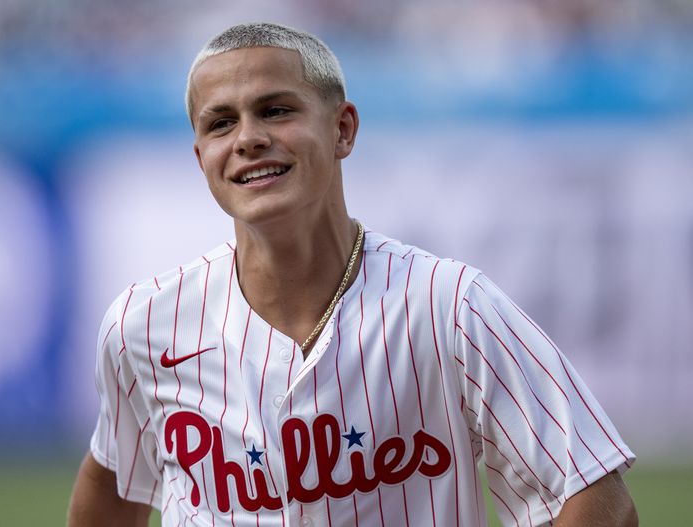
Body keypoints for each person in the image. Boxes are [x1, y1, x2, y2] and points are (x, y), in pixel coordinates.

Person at [67, 22, 637, 527]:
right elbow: (115, 483)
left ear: (343, 129)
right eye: (220, 123)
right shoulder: (144, 326)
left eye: (276, 110)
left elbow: (593, 491)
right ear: (201, 158)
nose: (247, 139)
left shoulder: (448, 305)